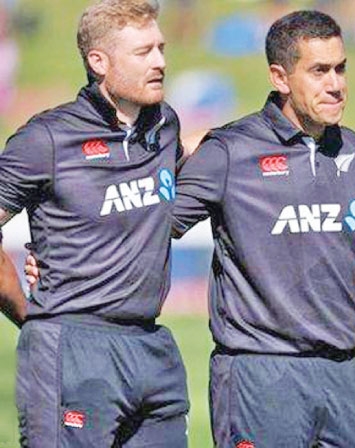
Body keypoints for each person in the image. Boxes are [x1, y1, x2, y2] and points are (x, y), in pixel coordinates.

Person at [171, 10, 355, 447]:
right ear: (280, 77)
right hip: (260, 376)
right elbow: (147, 227)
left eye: (341, 68)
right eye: (319, 71)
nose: (336, 84)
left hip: (345, 376)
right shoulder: (230, 151)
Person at [0, 1, 189, 446]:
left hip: (152, 349)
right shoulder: (45, 139)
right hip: (72, 348)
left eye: (160, 48)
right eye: (143, 52)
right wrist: (30, 313)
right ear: (98, 62)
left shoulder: (164, 125)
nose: (160, 61)